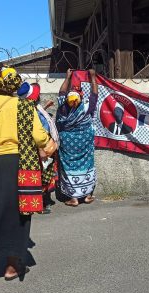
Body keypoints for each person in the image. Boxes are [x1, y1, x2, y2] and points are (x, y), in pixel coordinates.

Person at [0, 64, 54, 280]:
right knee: (18, 213)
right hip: (15, 163)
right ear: (14, 86)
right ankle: (12, 266)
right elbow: (40, 137)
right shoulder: (24, 106)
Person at [55, 69, 98, 207]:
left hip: (68, 142)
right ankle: (87, 195)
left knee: (69, 167)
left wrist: (67, 76)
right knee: (87, 164)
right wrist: (92, 76)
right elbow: (95, 94)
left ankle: (73, 198)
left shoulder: (63, 108)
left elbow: (61, 92)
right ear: (80, 98)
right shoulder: (86, 107)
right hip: (84, 141)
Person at [17, 82, 59, 214]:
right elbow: (36, 131)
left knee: (47, 175)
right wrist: (41, 149)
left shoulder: (35, 108)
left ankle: (43, 202)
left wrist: (45, 107)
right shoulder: (32, 110)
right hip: (40, 149)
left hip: (46, 148)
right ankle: (41, 204)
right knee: (43, 176)